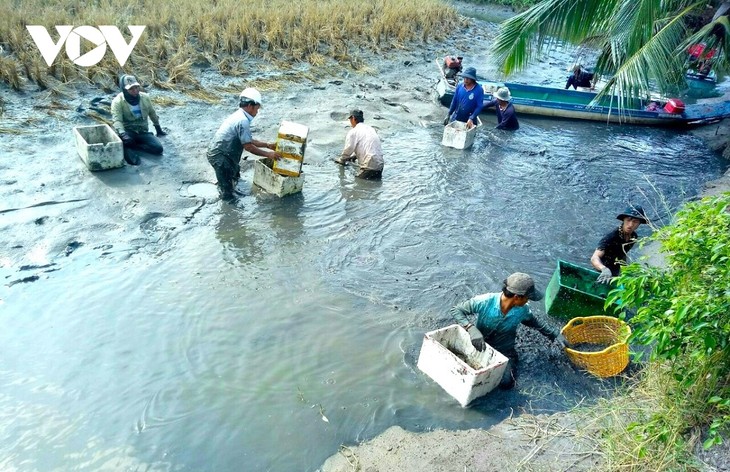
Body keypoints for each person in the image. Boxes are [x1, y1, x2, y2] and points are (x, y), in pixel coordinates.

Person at [449, 272, 570, 389]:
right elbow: (457, 310)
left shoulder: (522, 310)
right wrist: (470, 329)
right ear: (517, 297)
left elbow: (536, 324)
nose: (528, 301)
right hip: (480, 345)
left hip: (505, 352)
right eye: (527, 298)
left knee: (506, 383)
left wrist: (555, 335)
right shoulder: (485, 301)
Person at [206, 88, 282, 202]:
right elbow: (249, 147)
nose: (257, 112)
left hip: (225, 153)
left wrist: (267, 145)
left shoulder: (239, 115)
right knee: (228, 194)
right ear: (251, 106)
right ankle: (229, 209)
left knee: (235, 175)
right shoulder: (243, 121)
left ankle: (227, 184)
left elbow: (248, 140)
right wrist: (269, 155)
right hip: (220, 156)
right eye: (257, 108)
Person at [111, 74, 166, 166]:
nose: (135, 91)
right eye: (131, 89)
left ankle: (137, 146)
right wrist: (123, 134)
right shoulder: (117, 102)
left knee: (158, 149)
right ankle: (129, 146)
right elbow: (117, 120)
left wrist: (158, 128)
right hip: (128, 133)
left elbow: (152, 113)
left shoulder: (145, 97)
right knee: (133, 160)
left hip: (142, 131)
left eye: (136, 87)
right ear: (124, 89)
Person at [591, 205, 649, 284]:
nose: (631, 224)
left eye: (635, 222)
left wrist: (625, 271)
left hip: (615, 270)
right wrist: (604, 269)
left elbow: (622, 254)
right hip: (601, 271)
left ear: (639, 224)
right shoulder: (611, 237)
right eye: (628, 220)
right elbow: (594, 257)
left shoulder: (633, 236)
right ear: (624, 220)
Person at [334, 109, 384, 180]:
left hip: (369, 166)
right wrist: (354, 157)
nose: (350, 122)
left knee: (358, 182)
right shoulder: (371, 129)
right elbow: (369, 147)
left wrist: (341, 160)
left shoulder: (353, 132)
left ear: (353, 118)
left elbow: (349, 149)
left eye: (350, 120)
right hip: (380, 166)